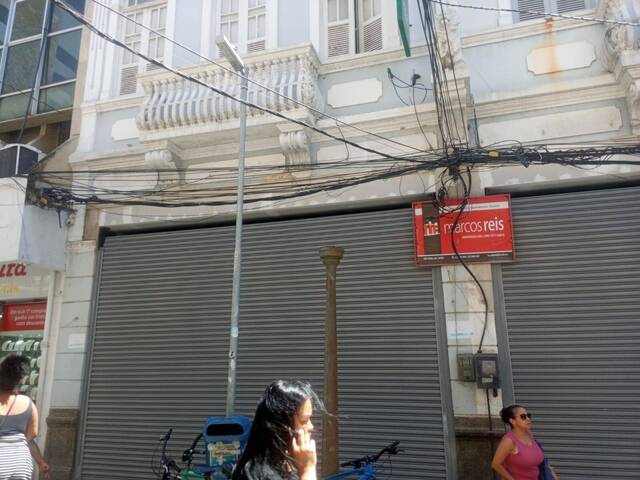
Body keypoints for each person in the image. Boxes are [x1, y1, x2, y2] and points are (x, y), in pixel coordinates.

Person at [232, 380, 320, 480]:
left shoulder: (287, 463)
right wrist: (308, 470)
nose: (311, 426)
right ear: (282, 426)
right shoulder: (258, 473)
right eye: (304, 420)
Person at [0, 353, 50, 479]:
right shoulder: (28, 402)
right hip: (21, 463)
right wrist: (41, 463)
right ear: (19, 380)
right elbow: (31, 437)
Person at [491, 404, 558, 480]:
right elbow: (495, 464)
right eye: (523, 416)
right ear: (512, 421)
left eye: (528, 415)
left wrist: (549, 470)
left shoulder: (529, 434)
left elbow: (535, 458)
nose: (528, 419)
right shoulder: (509, 441)